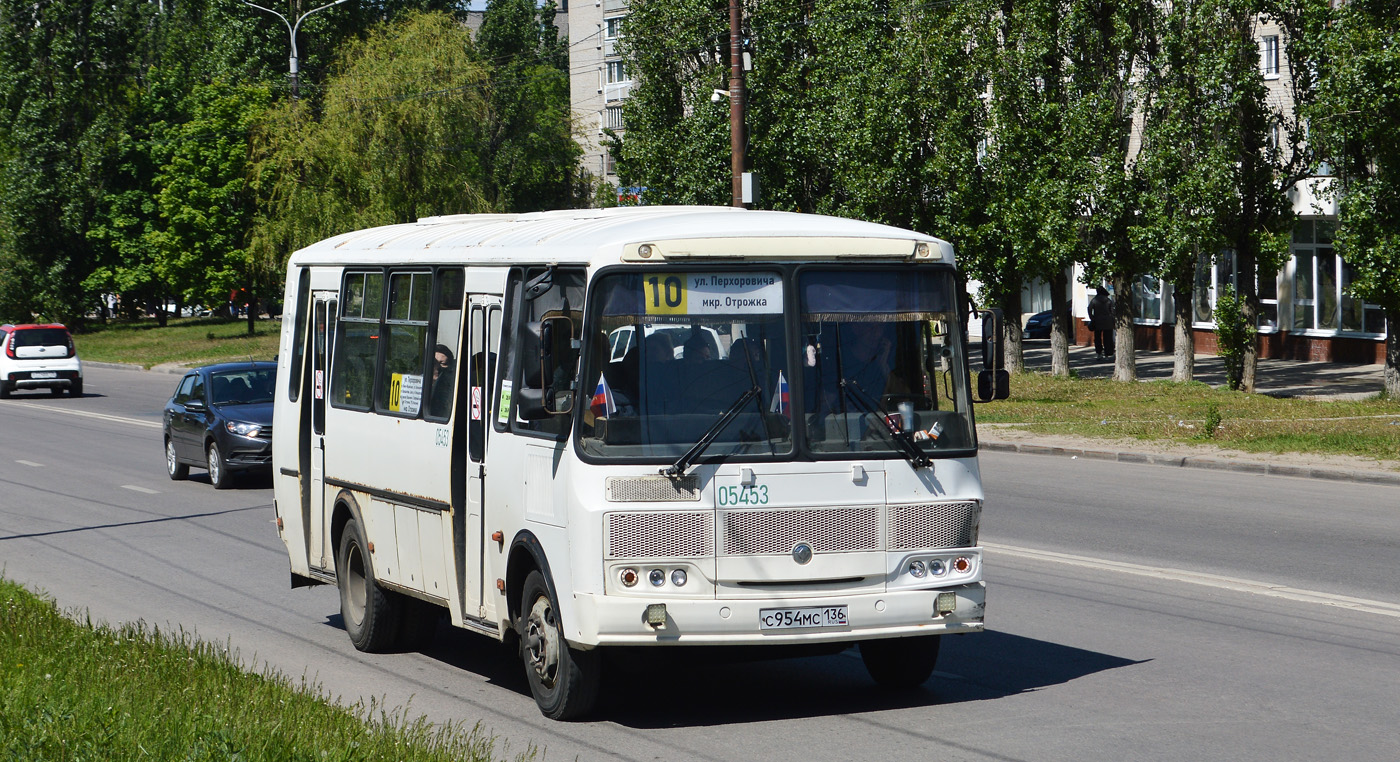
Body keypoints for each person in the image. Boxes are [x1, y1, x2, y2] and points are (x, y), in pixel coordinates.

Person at [429, 344, 455, 418]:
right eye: (434, 363)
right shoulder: (418, 385)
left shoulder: (451, 390)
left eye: (443, 364)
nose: (437, 367)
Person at [1088, 287, 1114, 359]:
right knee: (1108, 338)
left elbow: (1089, 309)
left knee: (1097, 338)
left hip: (1097, 321)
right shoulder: (1108, 300)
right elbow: (1112, 312)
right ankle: (1108, 353)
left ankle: (1099, 353)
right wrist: (1112, 320)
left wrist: (1092, 318)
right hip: (1108, 322)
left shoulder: (1094, 300)